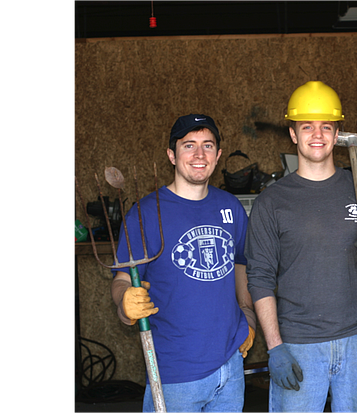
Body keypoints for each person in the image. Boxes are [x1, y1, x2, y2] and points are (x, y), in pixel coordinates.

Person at [245, 81, 357, 413]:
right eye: (307, 127)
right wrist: (275, 348)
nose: (317, 135)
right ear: (293, 134)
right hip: (299, 344)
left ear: (337, 133)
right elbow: (259, 278)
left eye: (326, 127)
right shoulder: (272, 202)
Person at [110, 114, 257, 412]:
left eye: (207, 145)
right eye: (188, 145)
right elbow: (123, 280)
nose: (199, 155)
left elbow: (240, 264)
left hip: (230, 367)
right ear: (171, 155)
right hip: (175, 375)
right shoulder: (146, 214)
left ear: (217, 155)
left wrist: (248, 315)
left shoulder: (230, 207)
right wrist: (124, 304)